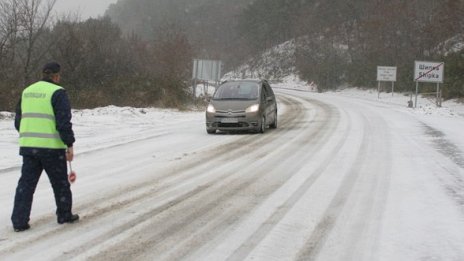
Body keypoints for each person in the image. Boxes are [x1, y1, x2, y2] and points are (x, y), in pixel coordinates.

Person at [11, 62, 79, 232]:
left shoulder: (27, 92)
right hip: (51, 148)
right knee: (60, 183)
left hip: (29, 147)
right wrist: (69, 144)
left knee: (26, 185)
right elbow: (63, 122)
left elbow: (19, 121)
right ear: (56, 76)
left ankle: (19, 221)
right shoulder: (58, 92)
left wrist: (29, 135)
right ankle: (64, 215)